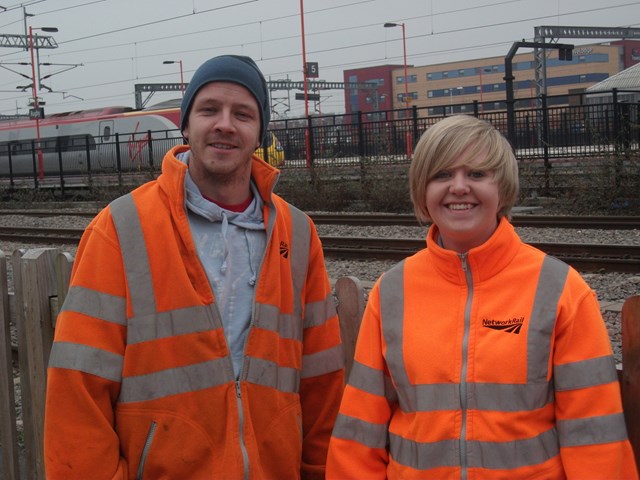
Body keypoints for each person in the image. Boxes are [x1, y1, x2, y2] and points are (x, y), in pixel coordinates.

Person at [44, 54, 345, 479]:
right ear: (186, 125)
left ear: (260, 132)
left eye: (243, 113)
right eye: (209, 110)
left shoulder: (297, 234)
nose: (224, 124)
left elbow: (322, 381)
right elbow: (78, 390)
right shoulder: (120, 228)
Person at [326, 115, 638, 479]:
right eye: (442, 175)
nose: (459, 187)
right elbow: (359, 432)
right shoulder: (392, 291)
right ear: (422, 191)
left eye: (477, 174)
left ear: (502, 188)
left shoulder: (559, 289)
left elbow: (595, 435)